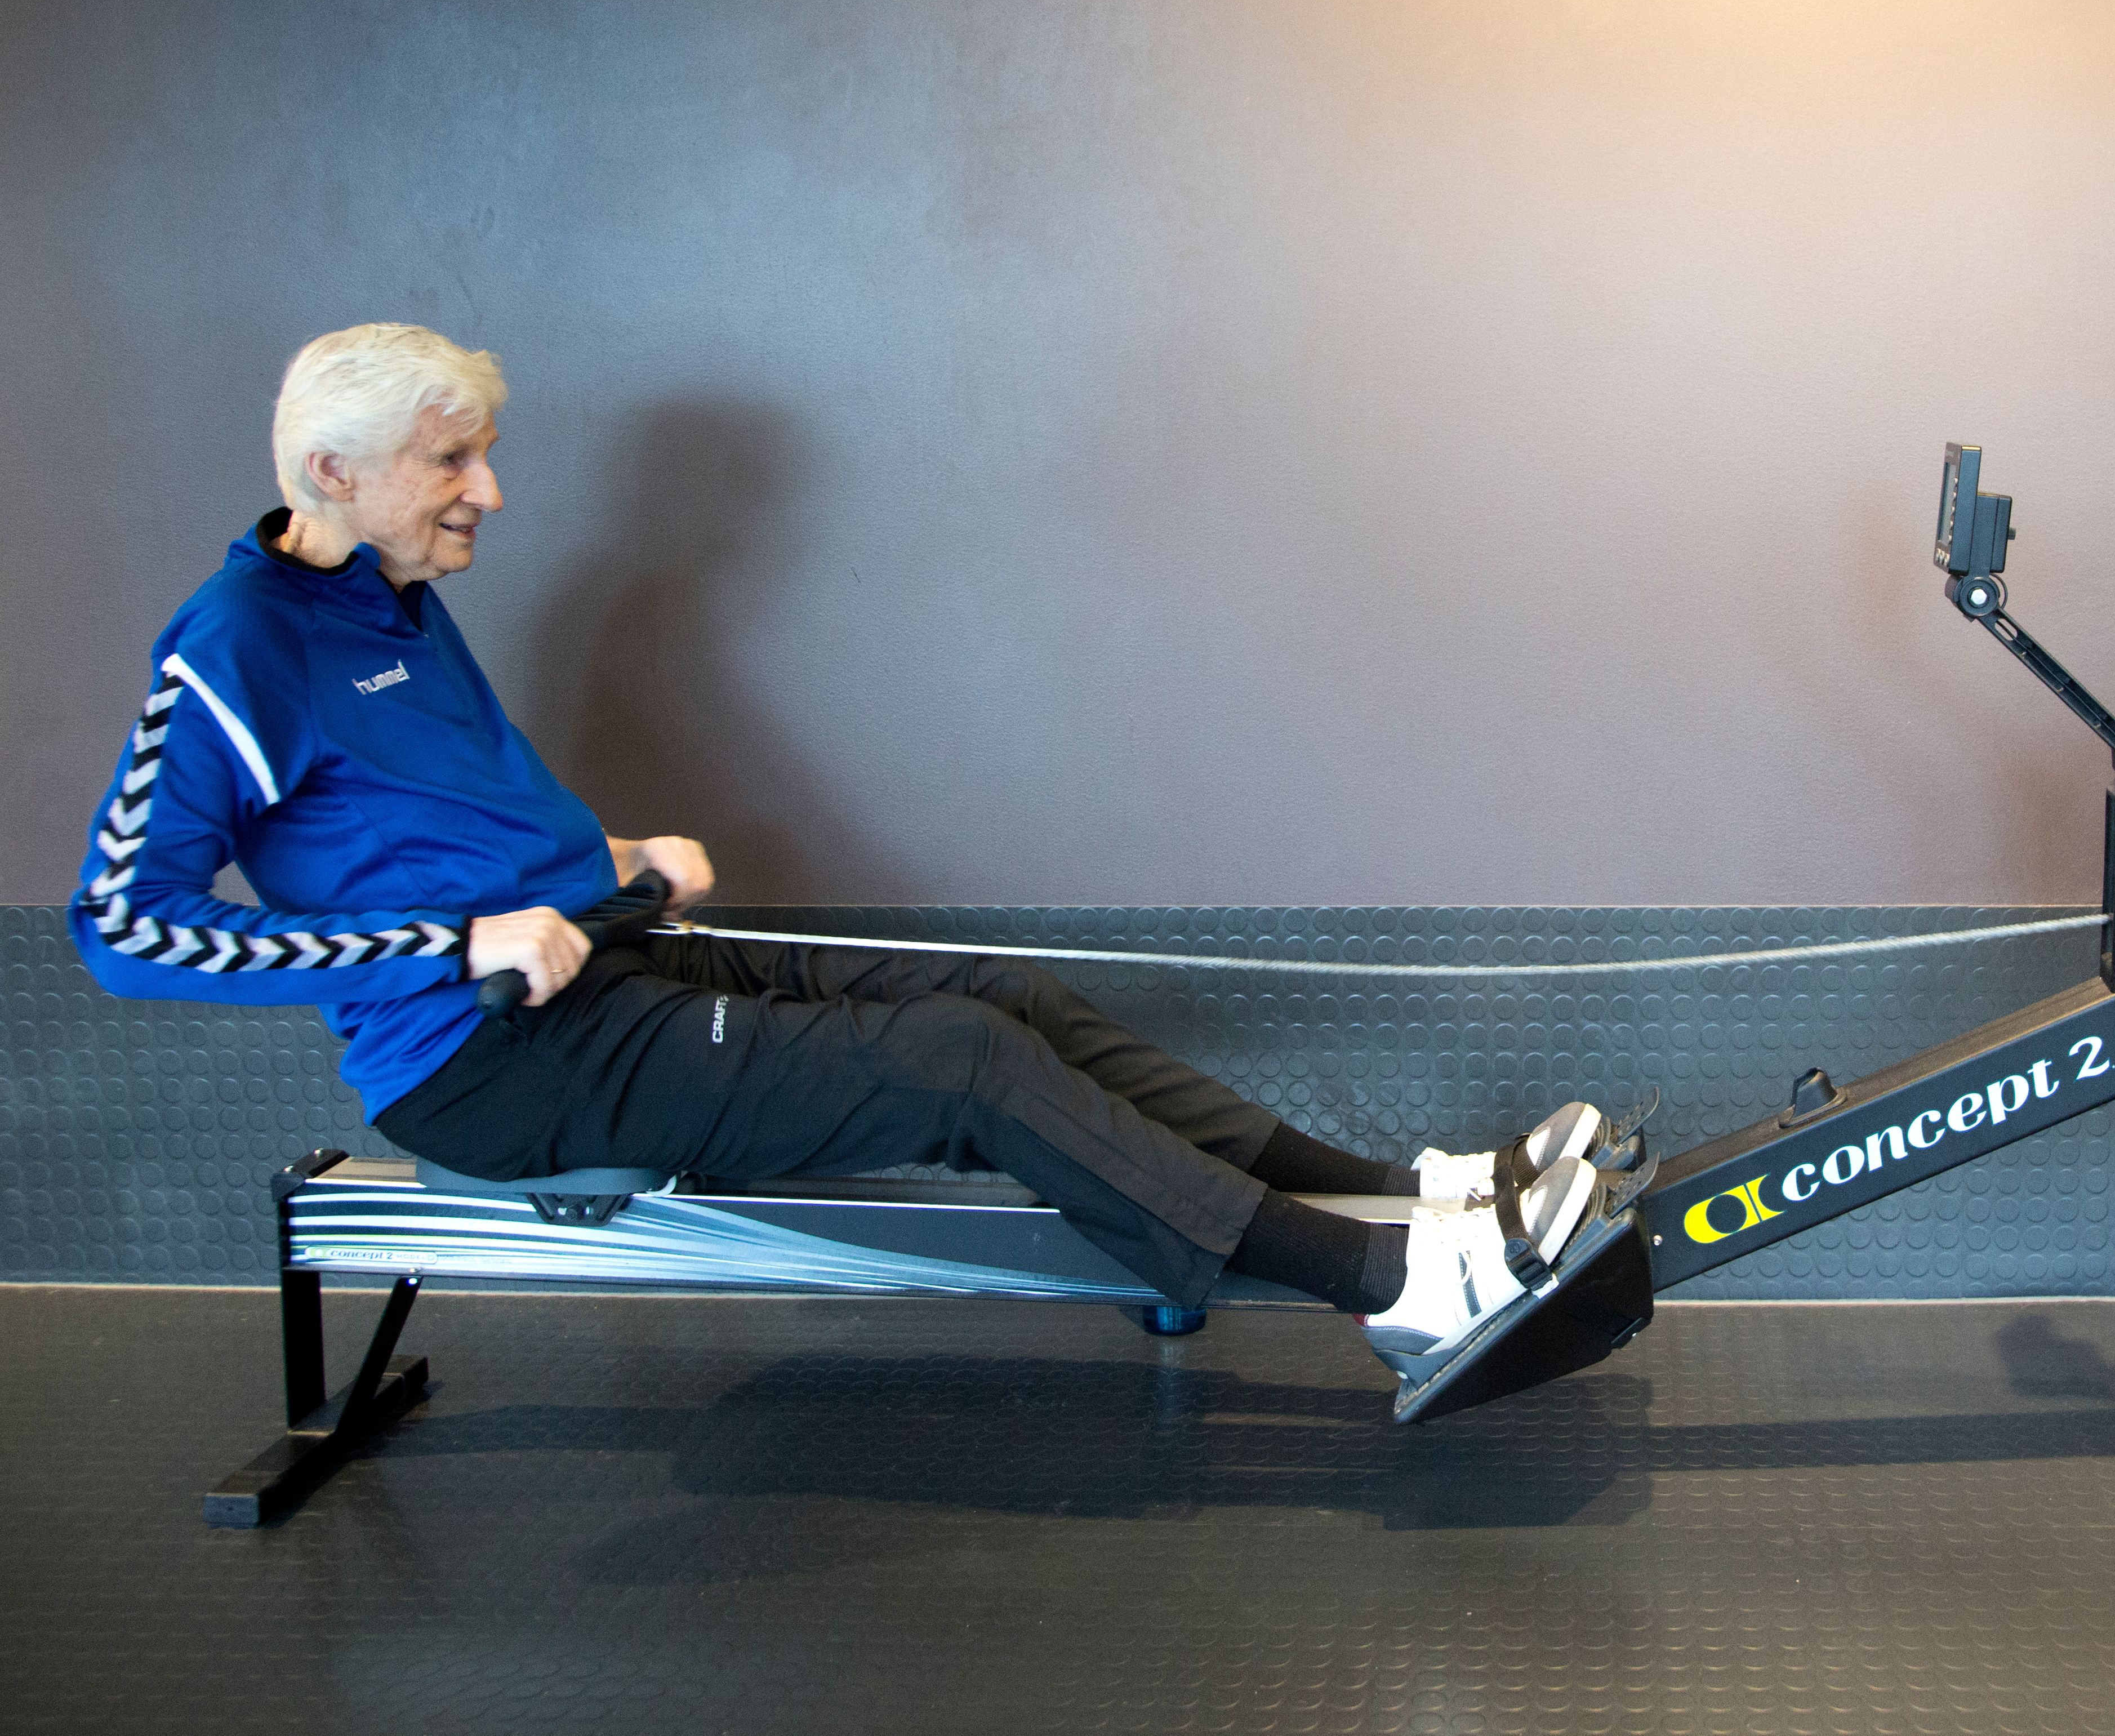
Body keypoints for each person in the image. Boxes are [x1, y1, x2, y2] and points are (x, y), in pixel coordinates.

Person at [73, 321, 1604, 1389]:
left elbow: (412, 819)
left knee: (1000, 998)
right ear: (333, 473)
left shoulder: (391, 598)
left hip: (604, 969)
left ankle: (1412, 1199)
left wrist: (598, 853)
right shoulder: (235, 644)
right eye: (452, 461)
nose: (489, 490)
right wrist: (449, 944)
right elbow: (123, 930)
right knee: (955, 1065)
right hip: (486, 1062)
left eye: (484, 454)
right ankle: (1398, 1292)